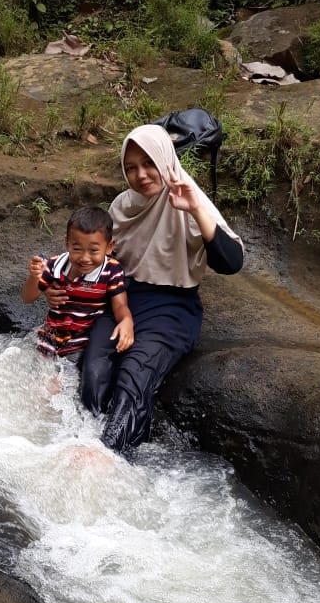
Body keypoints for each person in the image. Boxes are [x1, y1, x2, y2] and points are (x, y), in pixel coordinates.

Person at [53, 124, 243, 452]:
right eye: (131, 168)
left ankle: (107, 454)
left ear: (166, 160)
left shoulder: (189, 198)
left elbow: (231, 262)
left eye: (149, 163)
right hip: (121, 300)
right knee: (95, 369)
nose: (141, 174)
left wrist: (195, 208)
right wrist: (58, 286)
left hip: (171, 308)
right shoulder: (122, 207)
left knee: (133, 374)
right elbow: (96, 263)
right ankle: (81, 441)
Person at [21, 205, 134, 360]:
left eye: (94, 250)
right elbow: (27, 298)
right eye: (77, 249)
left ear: (109, 247)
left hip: (82, 341)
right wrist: (34, 277)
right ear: (67, 244)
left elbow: (120, 305)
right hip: (49, 336)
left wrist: (127, 321)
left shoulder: (111, 270)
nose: (85, 258)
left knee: (63, 379)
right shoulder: (55, 265)